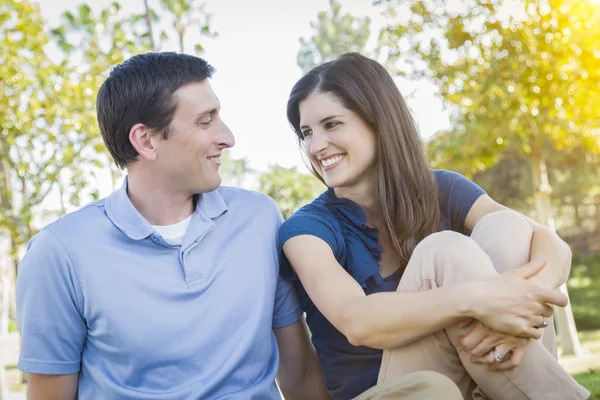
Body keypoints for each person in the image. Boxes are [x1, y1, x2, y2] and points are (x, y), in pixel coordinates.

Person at [15, 52, 332, 400]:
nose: (227, 137)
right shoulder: (59, 253)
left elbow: (300, 376)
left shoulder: (259, 218)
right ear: (146, 141)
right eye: (205, 121)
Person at [279, 52, 591, 400]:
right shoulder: (306, 229)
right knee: (444, 250)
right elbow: (357, 321)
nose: (316, 146)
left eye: (331, 124)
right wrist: (480, 299)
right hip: (394, 391)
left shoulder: (442, 188)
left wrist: (518, 310)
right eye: (307, 132)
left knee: (508, 226)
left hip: (473, 367)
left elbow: (550, 244)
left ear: (377, 120)